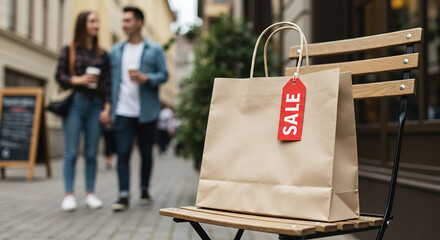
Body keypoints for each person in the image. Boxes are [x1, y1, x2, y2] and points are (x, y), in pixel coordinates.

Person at [108, 6, 168, 211]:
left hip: (147, 111)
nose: (123, 24)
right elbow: (111, 81)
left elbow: (164, 75)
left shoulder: (155, 49)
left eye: (128, 21)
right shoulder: (116, 51)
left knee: (146, 153)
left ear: (139, 23)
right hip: (123, 110)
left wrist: (147, 78)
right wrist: (109, 107)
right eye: (123, 21)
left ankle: (144, 188)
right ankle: (123, 195)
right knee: (123, 152)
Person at [55, 11, 111, 211]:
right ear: (83, 25)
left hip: (96, 104)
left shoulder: (102, 54)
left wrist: (107, 107)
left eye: (98, 21)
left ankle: (90, 193)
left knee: (91, 153)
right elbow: (59, 76)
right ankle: (69, 194)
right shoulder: (68, 50)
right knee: (70, 152)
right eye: (92, 21)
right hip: (76, 104)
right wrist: (78, 79)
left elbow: (106, 84)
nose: (97, 24)